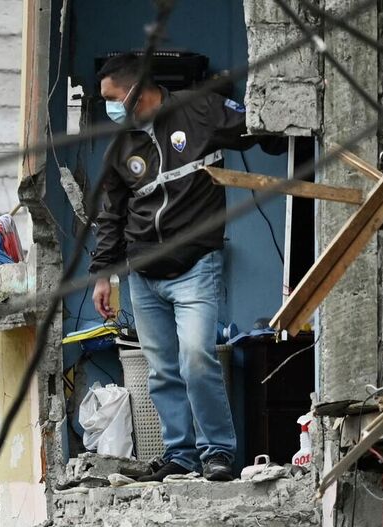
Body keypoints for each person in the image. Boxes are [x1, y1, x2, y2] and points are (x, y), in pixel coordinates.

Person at [89, 53, 270, 484]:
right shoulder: (121, 146)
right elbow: (111, 214)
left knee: (196, 359)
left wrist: (285, 125)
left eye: (112, 99)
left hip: (195, 267)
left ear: (136, 91)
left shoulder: (200, 109)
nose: (110, 110)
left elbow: (260, 125)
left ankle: (217, 452)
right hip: (143, 275)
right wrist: (103, 275)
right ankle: (181, 455)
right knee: (162, 371)